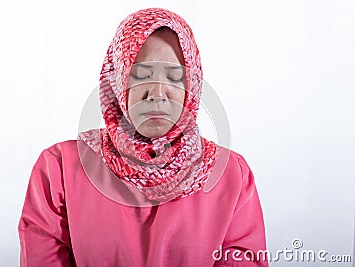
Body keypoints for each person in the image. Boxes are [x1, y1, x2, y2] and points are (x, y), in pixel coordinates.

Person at [18, 7, 268, 267]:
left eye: (174, 77)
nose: (157, 93)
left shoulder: (230, 175)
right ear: (117, 81)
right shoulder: (59, 169)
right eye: (141, 75)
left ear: (191, 87)